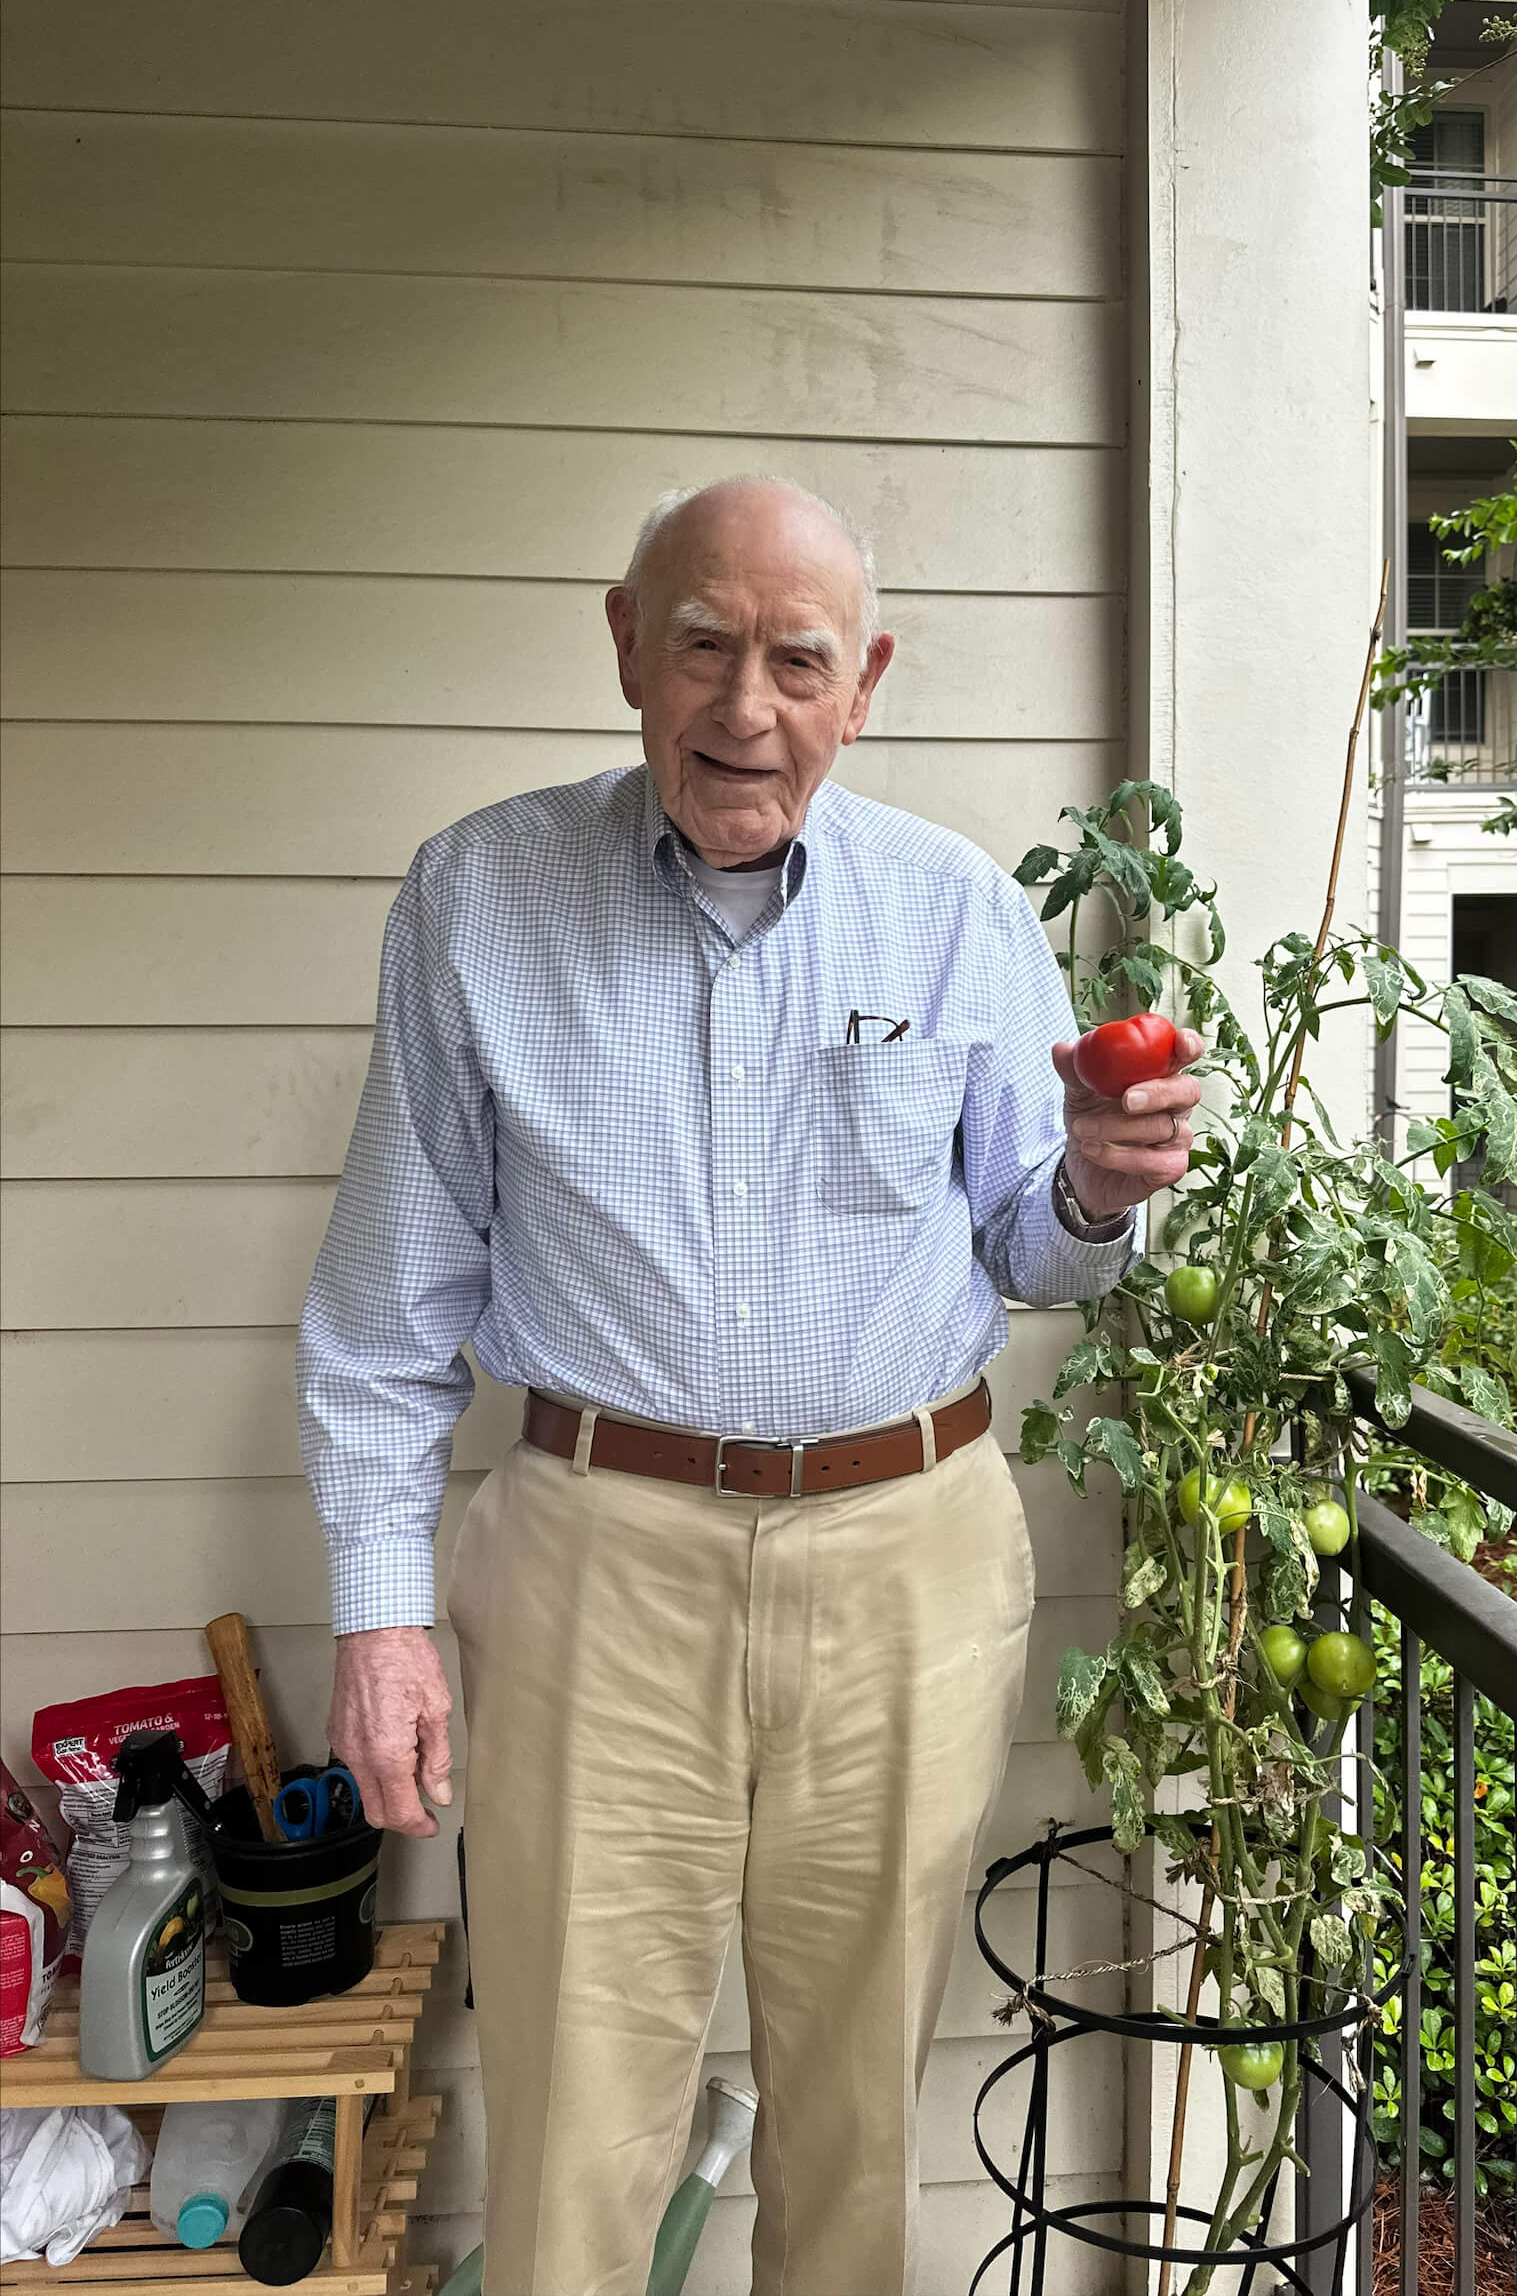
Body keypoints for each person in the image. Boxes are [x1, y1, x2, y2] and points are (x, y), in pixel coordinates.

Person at [297, 476, 1202, 2294]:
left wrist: (1103, 1187)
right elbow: (390, 1305)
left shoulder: (952, 909)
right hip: (591, 1564)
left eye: (797, 659)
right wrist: (385, 1622)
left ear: (862, 682)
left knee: (859, 2117)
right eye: (701, 643)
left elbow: (1029, 1240)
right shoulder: (479, 894)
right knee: (573, 2122)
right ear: (626, 642)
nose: (743, 706)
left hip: (906, 1561)